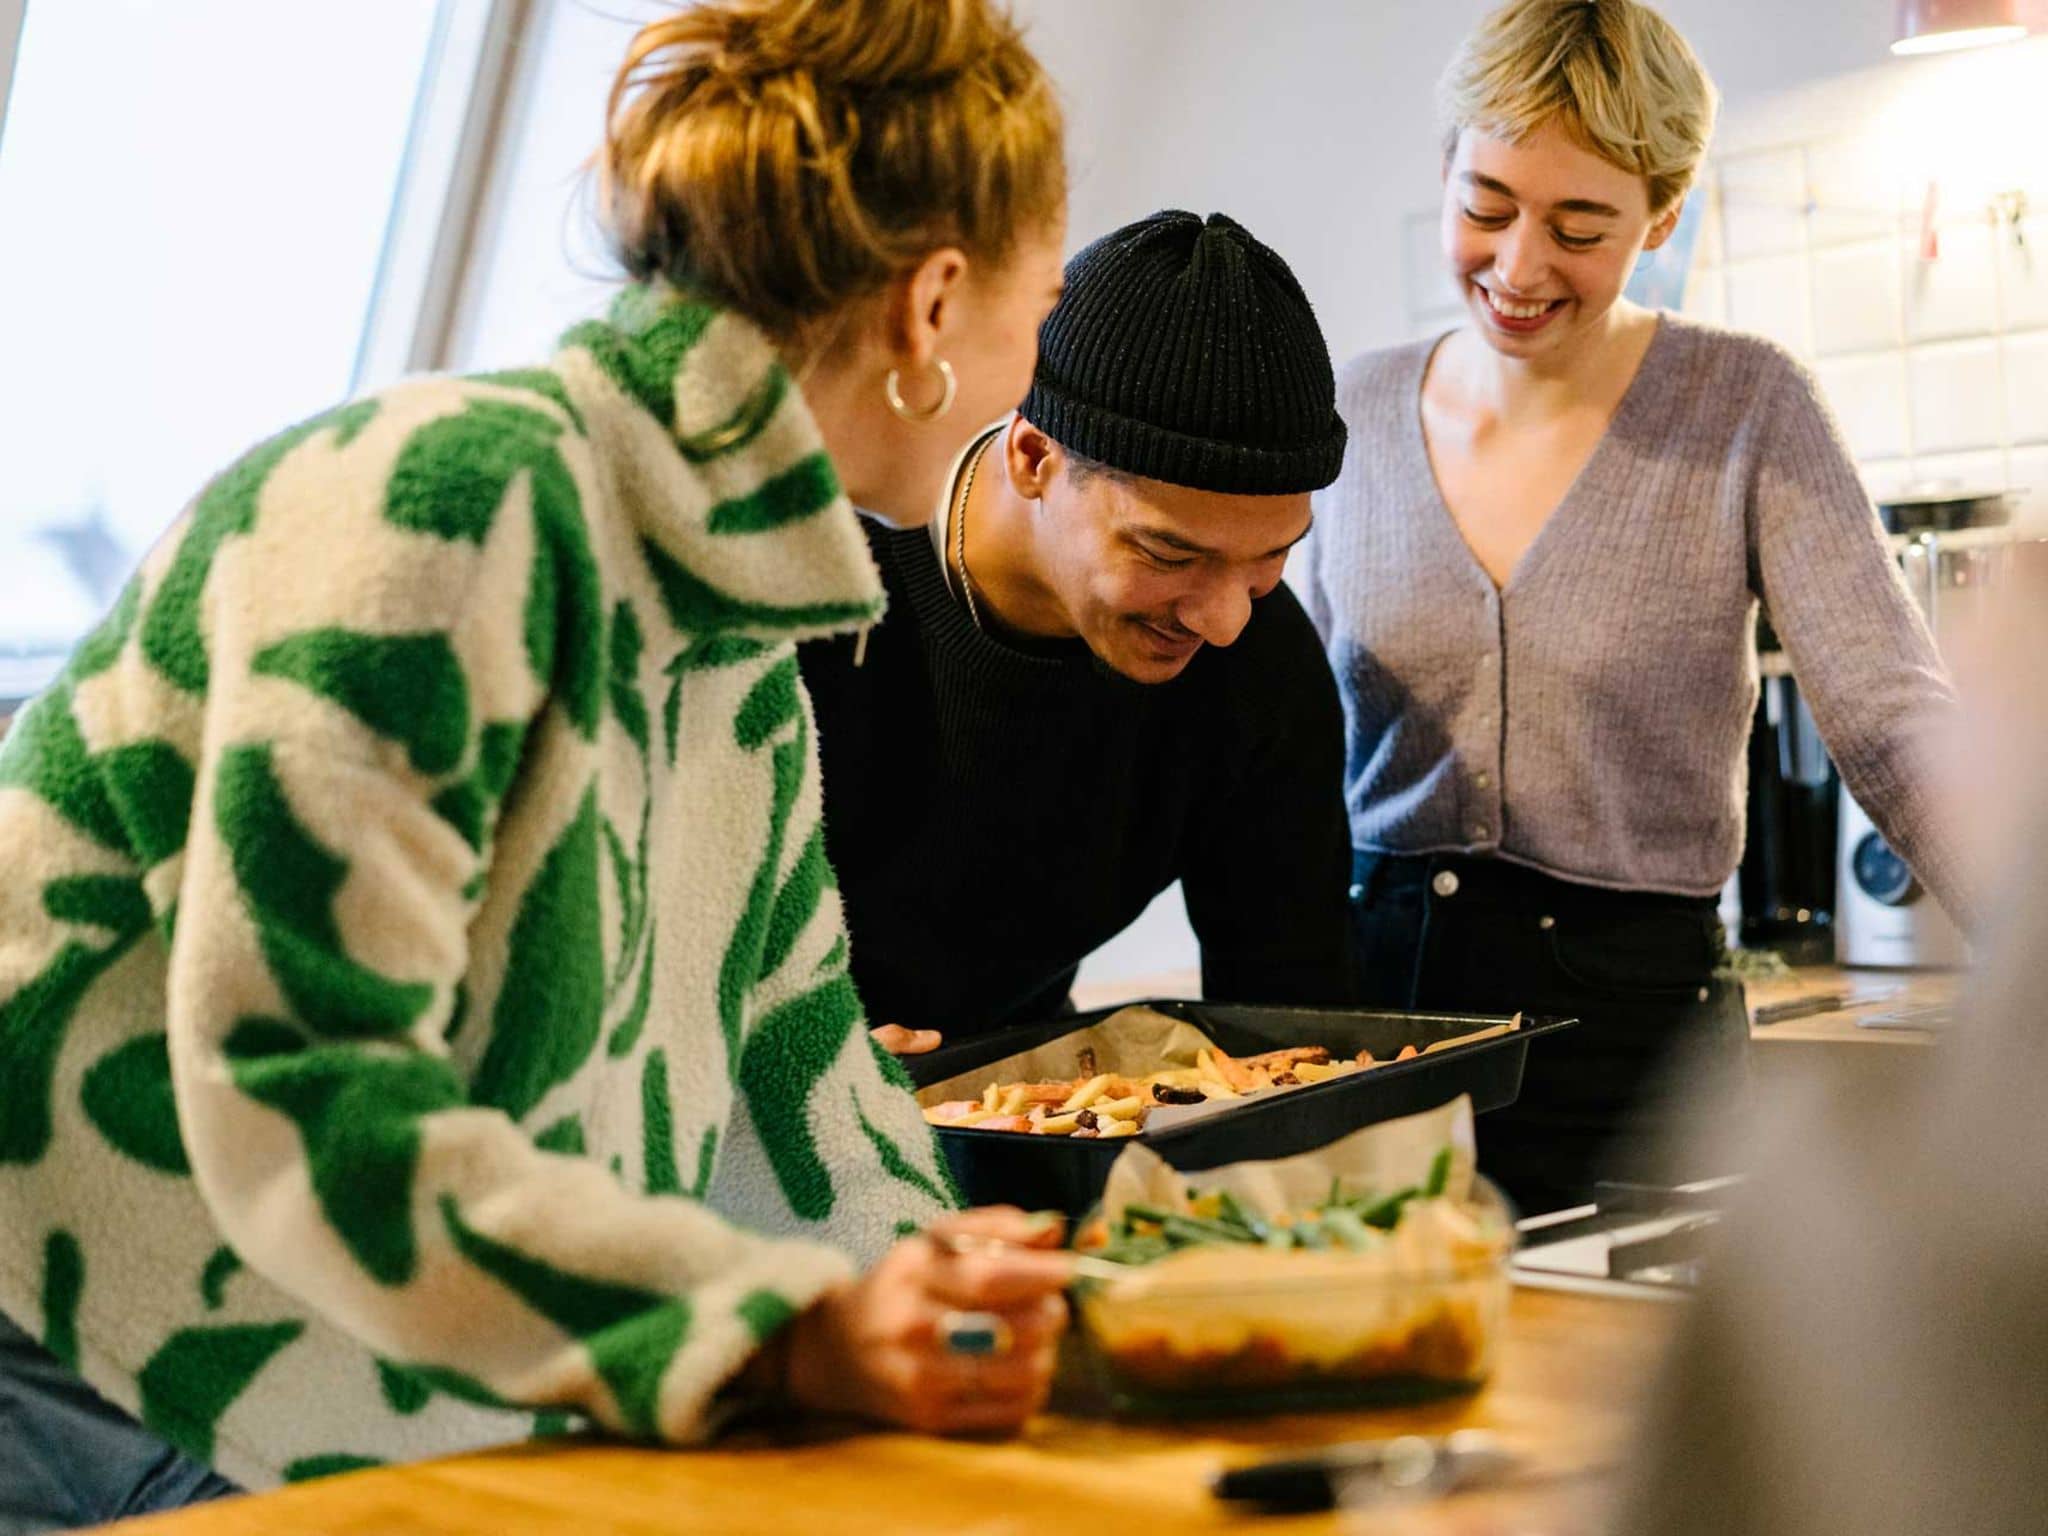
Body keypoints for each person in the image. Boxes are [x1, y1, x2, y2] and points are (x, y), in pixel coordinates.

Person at [0, 0, 1071, 1524]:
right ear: (933, 305)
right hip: (66, 1333)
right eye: (1041, 311)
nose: (1028, 374)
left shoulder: (734, 642)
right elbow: (308, 1093)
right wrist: (783, 1332)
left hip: (304, 1339)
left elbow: (796, 1074)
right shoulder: (451, 507)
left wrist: (950, 1302)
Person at [1300, 0, 1967, 1215]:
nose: (1517, 268)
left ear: (1661, 216)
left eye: (1577, 228)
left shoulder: (1744, 406)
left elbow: (1889, 719)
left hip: (1636, 1051)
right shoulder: (1351, 413)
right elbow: (1268, 750)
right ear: (1443, 169)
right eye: (1485, 207)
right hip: (1373, 1036)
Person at [800, 210, 1355, 1052]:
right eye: (1169, 553)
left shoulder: (1261, 662)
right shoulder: (819, 587)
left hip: (1023, 1096)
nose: (1223, 620)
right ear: (1034, 459)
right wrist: (791, 1076)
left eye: (1271, 556)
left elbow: (1298, 1028)